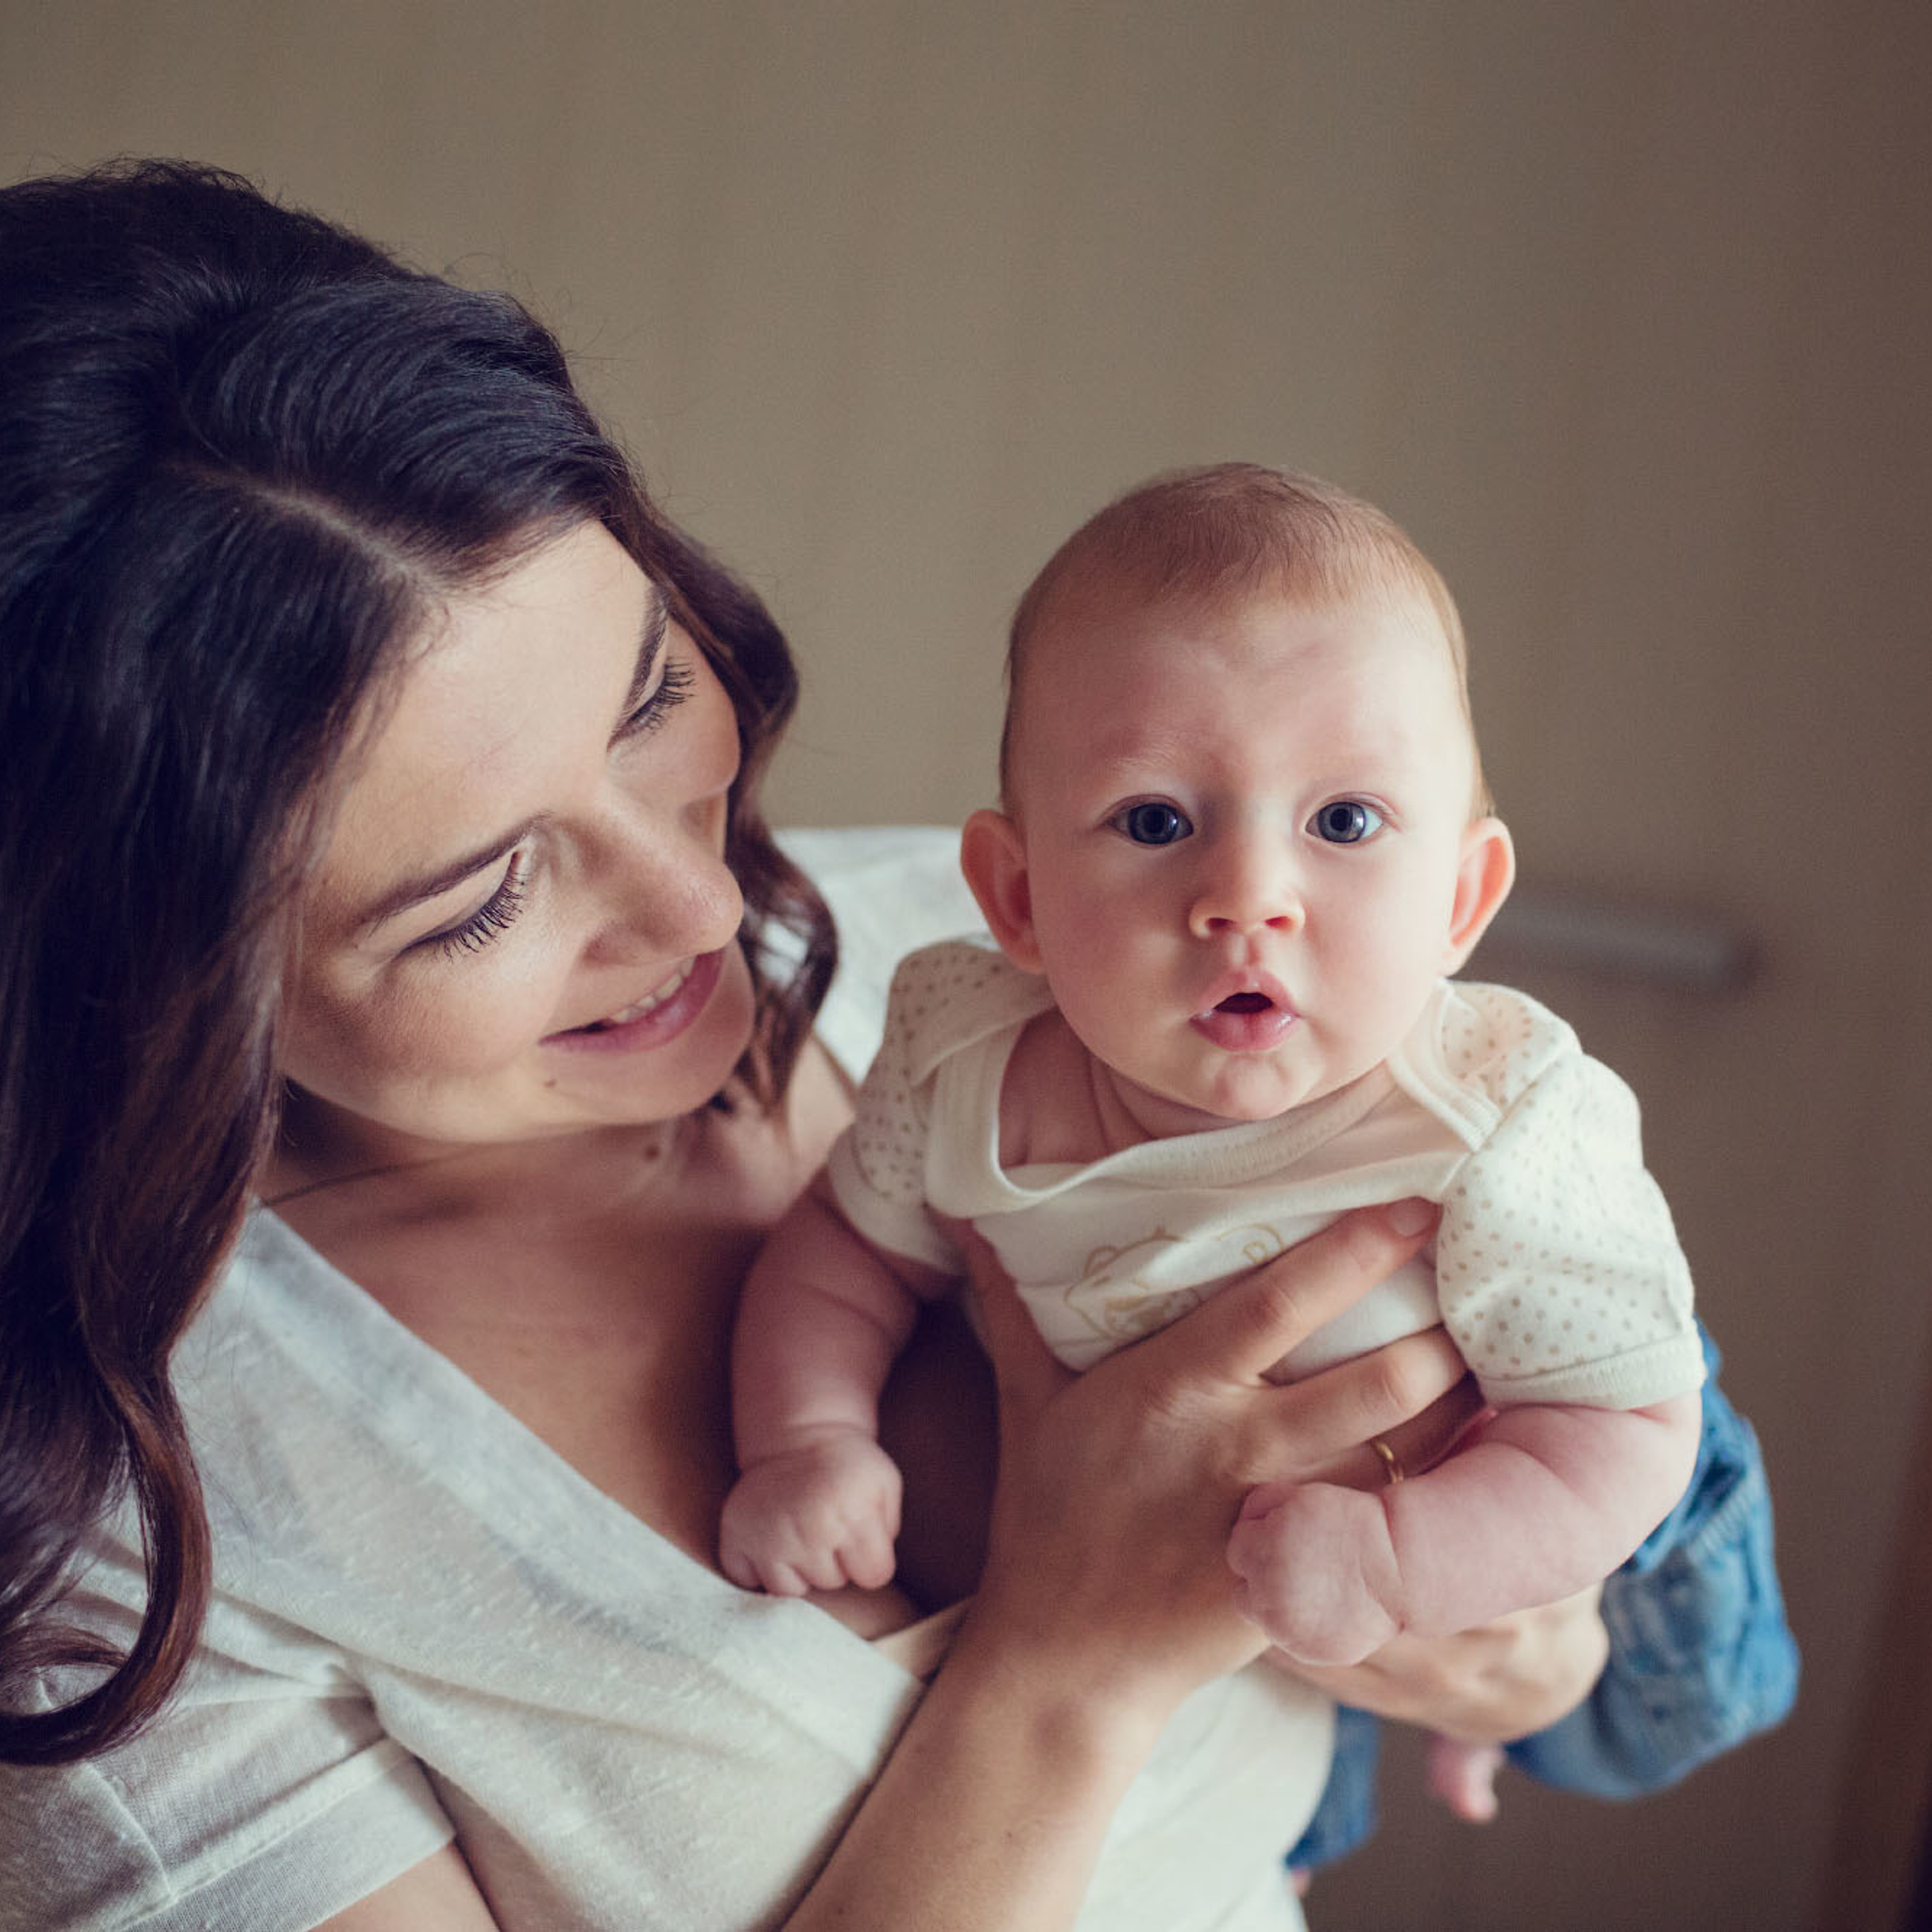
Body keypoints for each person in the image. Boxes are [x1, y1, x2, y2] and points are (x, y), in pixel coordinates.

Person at [0, 162, 1785, 1932]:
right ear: (132, 970)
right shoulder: (112, 1569)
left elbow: (1552, 1607)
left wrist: (1500, 1634)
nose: (710, 914)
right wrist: (1068, 1666)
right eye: (478, 898)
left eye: (647, 704)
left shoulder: (994, 945)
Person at [719, 465, 1709, 1817]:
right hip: (1266, 1534)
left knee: (1658, 1717)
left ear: (1464, 900)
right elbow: (841, 1257)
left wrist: (1408, 1559)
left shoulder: (1498, 1115)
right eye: (1155, 821)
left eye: (1344, 822)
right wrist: (808, 1439)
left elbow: (1629, 1432)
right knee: (1300, 1735)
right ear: (1016, 896)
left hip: (1575, 1398)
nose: (1246, 898)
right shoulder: (960, 1063)